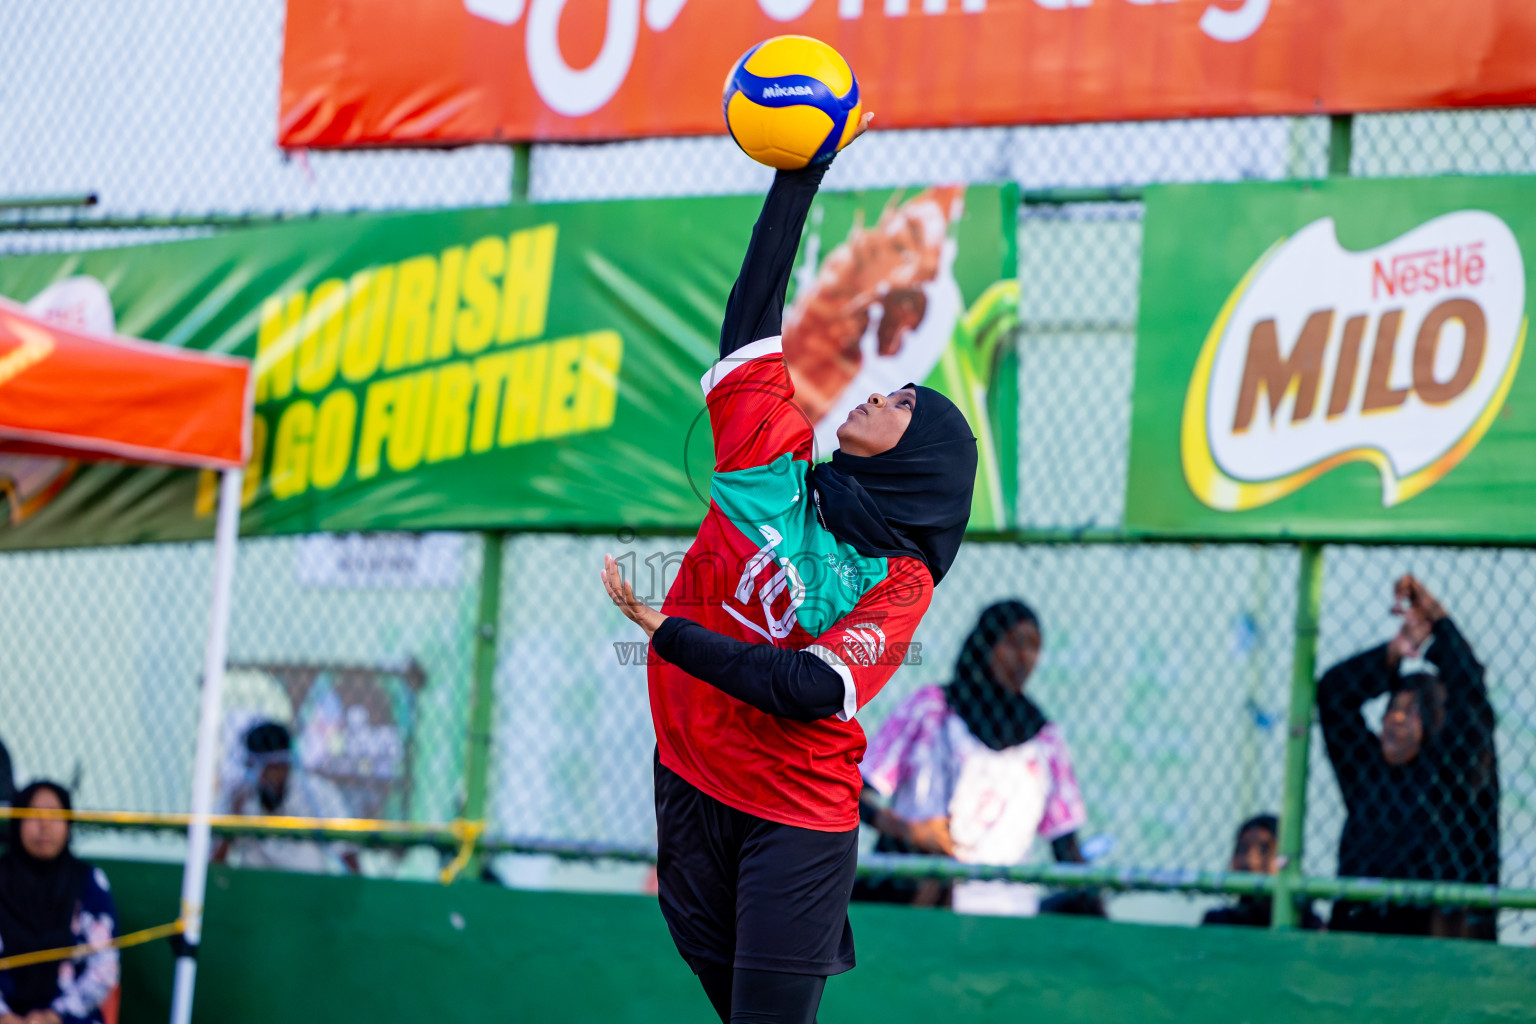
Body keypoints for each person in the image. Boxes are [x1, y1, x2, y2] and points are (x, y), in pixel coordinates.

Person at [601, 110, 979, 1024]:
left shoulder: (900, 584)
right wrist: (801, 173)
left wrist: (674, 636)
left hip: (796, 817)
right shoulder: (772, 466)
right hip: (691, 778)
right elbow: (751, 327)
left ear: (916, 459)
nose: (873, 394)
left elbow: (812, 688)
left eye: (897, 403)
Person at [854, 601, 1100, 916]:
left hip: (1005, 907)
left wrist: (1092, 892)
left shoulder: (1044, 739)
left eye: (1034, 647)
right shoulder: (931, 709)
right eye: (1013, 643)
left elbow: (1065, 844)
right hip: (920, 888)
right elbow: (856, 790)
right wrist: (909, 831)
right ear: (986, 644)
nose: (1023, 658)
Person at [1318, 575, 1498, 940]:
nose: (1394, 720)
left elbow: (1470, 694)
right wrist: (1395, 651)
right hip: (1360, 944)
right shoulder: (1368, 774)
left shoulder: (1458, 776)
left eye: (1411, 710)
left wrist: (1438, 621)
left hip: (1441, 949)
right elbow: (1333, 694)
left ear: (1434, 721)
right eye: (1390, 709)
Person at [0, 782, 119, 1024]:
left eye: (55, 814)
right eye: (34, 814)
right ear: (17, 820)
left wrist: (55, 1016)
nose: (45, 825)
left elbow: (104, 966)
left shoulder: (88, 883)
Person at [212, 721, 360, 875]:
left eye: (279, 765)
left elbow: (347, 852)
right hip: (253, 888)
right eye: (265, 766)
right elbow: (215, 867)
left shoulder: (316, 792)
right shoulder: (239, 796)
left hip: (307, 887)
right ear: (251, 765)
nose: (274, 774)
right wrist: (233, 820)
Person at [1201, 814, 1321, 929]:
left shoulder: (1309, 928)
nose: (1251, 861)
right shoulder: (1219, 922)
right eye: (1241, 849)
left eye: (1264, 850)